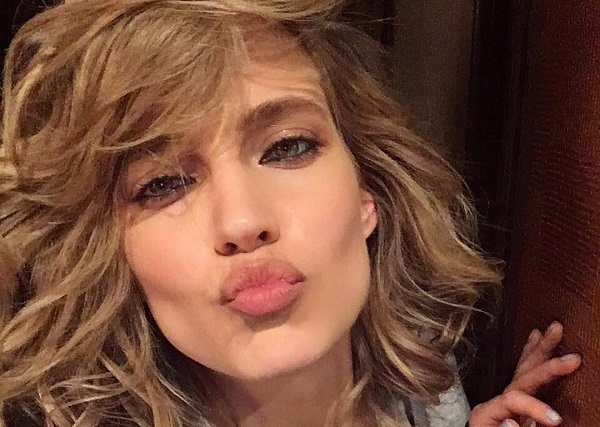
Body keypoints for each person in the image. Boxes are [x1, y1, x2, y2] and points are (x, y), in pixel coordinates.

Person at [0, 1, 580, 426]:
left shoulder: (422, 374)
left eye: (287, 147)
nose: (241, 222)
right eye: (163, 184)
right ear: (114, 253)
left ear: (366, 194)